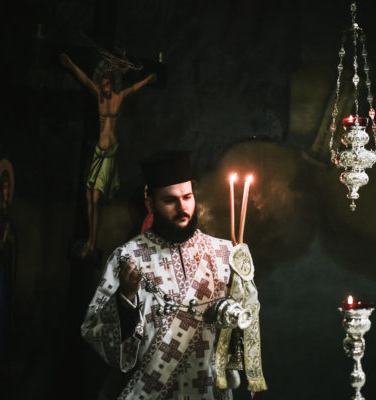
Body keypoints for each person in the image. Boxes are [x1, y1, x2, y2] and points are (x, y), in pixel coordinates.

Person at [81, 153, 266, 400]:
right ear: (150, 204)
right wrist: (125, 299)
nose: (182, 208)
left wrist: (240, 305)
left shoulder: (223, 253)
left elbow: (245, 328)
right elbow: (94, 329)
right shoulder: (127, 257)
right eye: (170, 200)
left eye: (187, 197)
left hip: (208, 390)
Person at [60, 53, 156, 258]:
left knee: (95, 197)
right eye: (102, 84)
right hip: (99, 152)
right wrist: (71, 64)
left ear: (113, 84)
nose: (104, 88)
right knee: (89, 197)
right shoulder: (99, 98)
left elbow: (133, 88)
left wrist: (148, 79)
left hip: (110, 154)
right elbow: (85, 80)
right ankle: (91, 242)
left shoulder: (118, 98)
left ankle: (92, 244)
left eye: (107, 84)